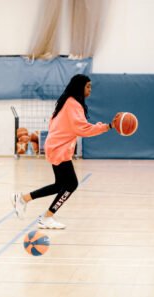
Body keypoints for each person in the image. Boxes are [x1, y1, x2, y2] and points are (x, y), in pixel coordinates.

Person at [11, 74, 118, 229]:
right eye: (88, 86)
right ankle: (46, 217)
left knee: (60, 185)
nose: (90, 89)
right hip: (58, 148)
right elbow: (83, 129)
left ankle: (22, 199)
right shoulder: (72, 104)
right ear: (79, 87)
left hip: (56, 146)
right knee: (71, 184)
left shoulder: (68, 102)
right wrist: (107, 126)